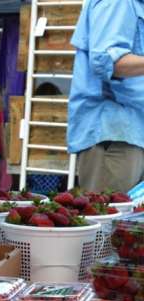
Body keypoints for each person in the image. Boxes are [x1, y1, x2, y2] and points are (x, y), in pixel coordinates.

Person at [69, 0, 144, 193]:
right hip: (114, 136)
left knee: (125, 212)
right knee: (109, 210)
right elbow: (106, 61)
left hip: (129, 133)